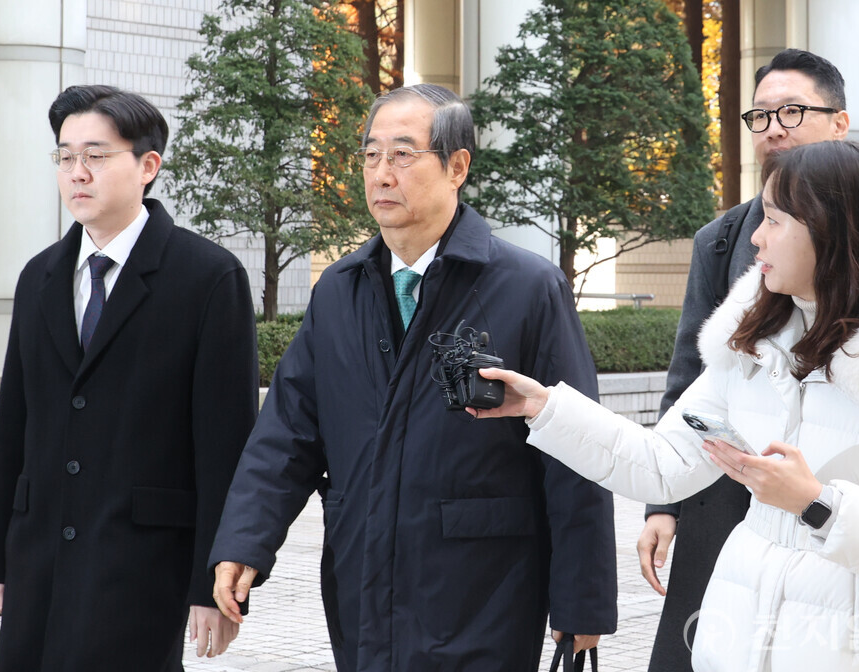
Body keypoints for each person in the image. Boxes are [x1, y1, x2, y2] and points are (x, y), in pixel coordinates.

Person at [472, 139, 859, 671]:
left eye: (773, 220)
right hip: (737, 640)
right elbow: (661, 464)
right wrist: (544, 407)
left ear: (830, 227)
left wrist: (816, 504)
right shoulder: (753, 341)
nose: (756, 238)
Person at [207, 84, 617, 671]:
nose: (380, 174)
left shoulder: (528, 288)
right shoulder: (339, 291)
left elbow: (576, 451)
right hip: (364, 572)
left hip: (486, 585)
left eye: (402, 154)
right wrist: (246, 540)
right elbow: (286, 433)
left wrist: (583, 602)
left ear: (457, 167)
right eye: (371, 156)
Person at [638, 48, 859, 671]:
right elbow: (693, 375)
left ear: (840, 124)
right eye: (760, 116)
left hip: (844, 515)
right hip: (727, 499)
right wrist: (663, 504)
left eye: (792, 110)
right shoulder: (721, 240)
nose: (775, 128)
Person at [0, 85, 259, 669]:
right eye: (65, 157)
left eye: (96, 155)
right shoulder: (39, 277)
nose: (76, 173)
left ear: (148, 166)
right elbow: (12, 429)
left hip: (142, 566)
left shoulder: (208, 278)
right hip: (36, 563)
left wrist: (210, 585)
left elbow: (226, 448)